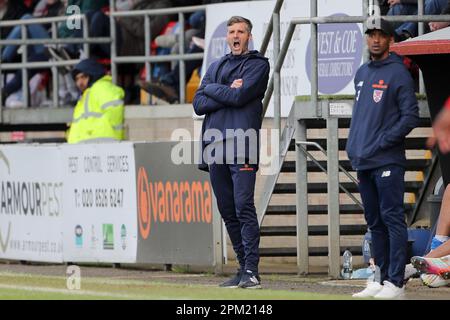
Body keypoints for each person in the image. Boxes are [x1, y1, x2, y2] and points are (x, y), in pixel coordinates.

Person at [192, 16, 269, 289]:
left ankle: (252, 270)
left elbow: (239, 97)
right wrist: (221, 90)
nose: (236, 36)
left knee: (243, 205)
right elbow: (198, 103)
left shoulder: (259, 65)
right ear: (227, 37)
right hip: (214, 147)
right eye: (232, 32)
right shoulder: (217, 65)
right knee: (227, 209)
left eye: (241, 31)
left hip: (242, 143)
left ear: (249, 36)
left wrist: (212, 91)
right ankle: (242, 266)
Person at [346, 17, 420, 299]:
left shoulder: (398, 73)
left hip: (388, 160)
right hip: (364, 160)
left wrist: (381, 141)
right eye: (371, 35)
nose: (375, 39)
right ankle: (379, 277)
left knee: (392, 219)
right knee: (374, 222)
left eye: (381, 35)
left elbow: (410, 116)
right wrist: (354, 146)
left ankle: (396, 282)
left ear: (390, 40)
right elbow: (362, 116)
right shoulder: (362, 72)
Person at [67, 59, 125, 143]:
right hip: (87, 149)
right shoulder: (87, 95)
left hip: (100, 147)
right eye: (77, 79)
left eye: (83, 77)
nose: (79, 82)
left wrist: (113, 142)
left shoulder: (101, 87)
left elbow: (114, 113)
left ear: (93, 74)